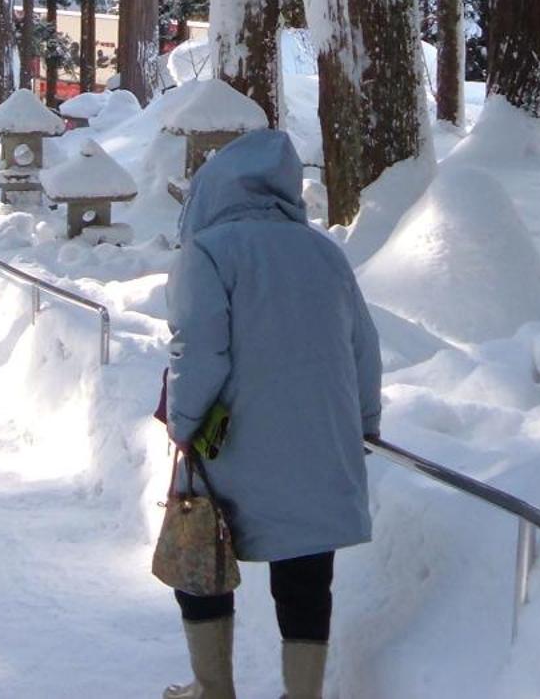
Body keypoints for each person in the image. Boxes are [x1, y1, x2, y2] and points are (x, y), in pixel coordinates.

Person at [160, 128, 382, 699]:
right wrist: (363, 426)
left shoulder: (208, 251)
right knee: (306, 572)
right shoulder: (325, 254)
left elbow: (199, 350)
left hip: (233, 445)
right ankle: (302, 693)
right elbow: (363, 349)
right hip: (319, 443)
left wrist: (183, 424)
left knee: (202, 556)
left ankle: (213, 690)